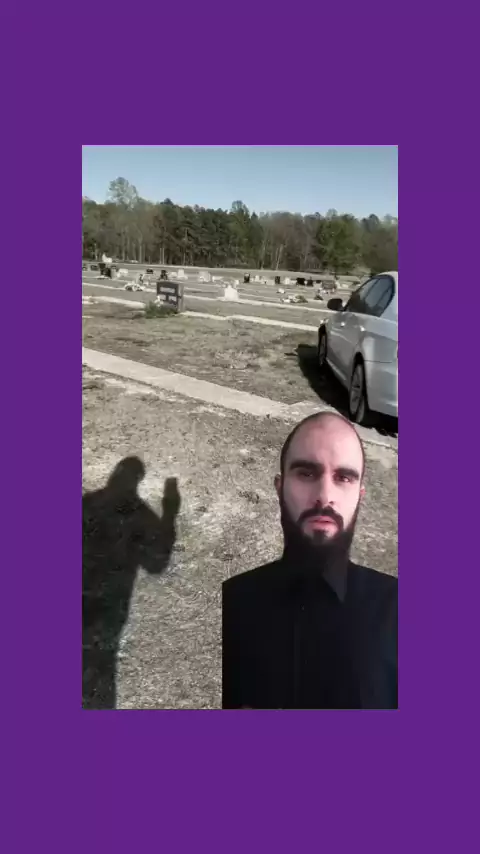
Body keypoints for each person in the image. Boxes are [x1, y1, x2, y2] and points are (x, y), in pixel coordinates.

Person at [222, 412, 397, 709]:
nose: (324, 496)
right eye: (306, 473)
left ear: (360, 495)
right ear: (280, 487)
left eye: (343, 477)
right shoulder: (232, 602)